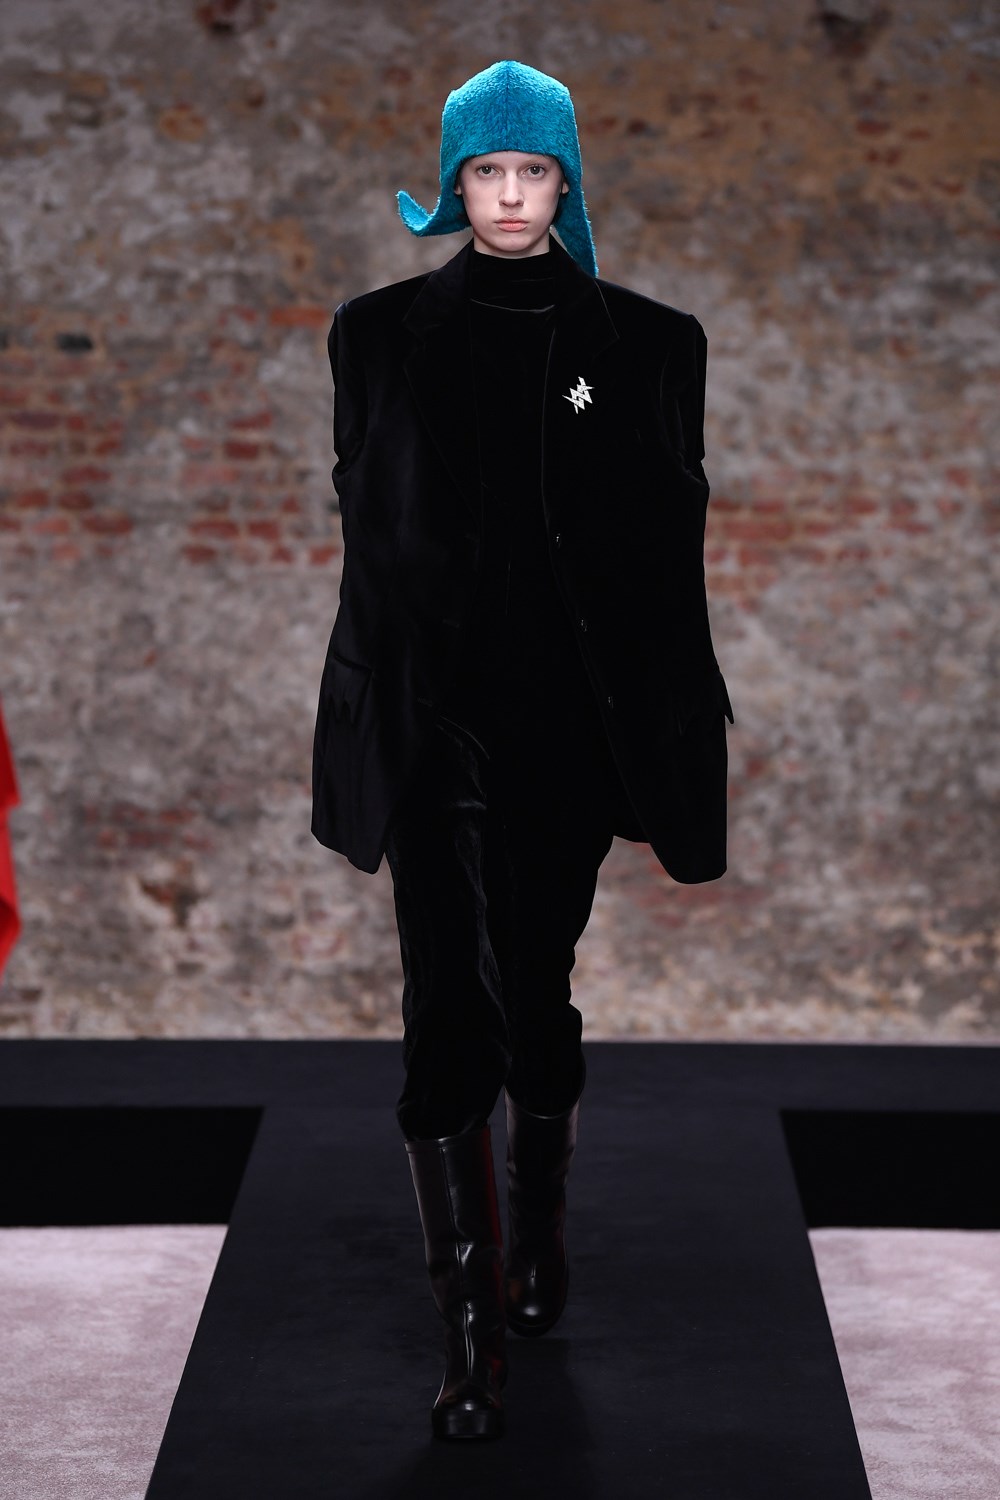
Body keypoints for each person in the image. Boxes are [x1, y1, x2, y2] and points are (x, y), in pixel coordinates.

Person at [311, 59, 734, 1441]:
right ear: (453, 185)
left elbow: (667, 564)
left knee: (535, 992)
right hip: (429, 721)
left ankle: (538, 1216)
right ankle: (471, 1332)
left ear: (566, 183)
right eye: (484, 171)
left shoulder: (653, 345)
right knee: (446, 998)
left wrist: (675, 728)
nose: (507, 195)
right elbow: (365, 538)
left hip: (568, 726)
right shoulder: (374, 336)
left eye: (531, 171)